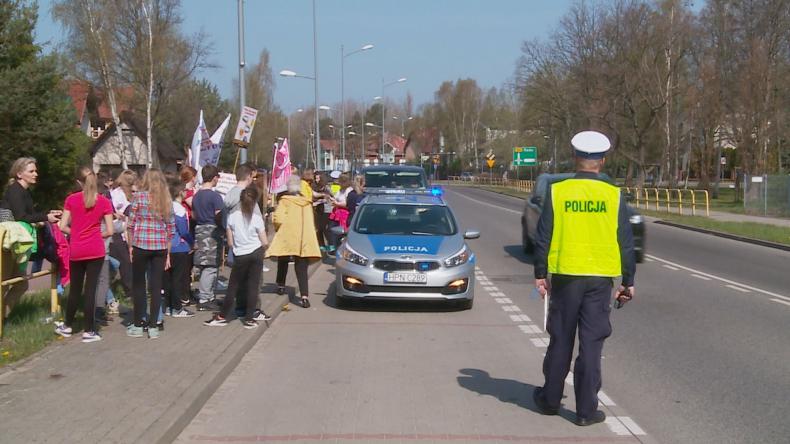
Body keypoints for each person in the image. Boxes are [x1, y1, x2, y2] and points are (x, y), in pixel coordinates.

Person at [532, 131, 636, 426]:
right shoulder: (613, 195)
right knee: (591, 343)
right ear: (602, 161)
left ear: (575, 157)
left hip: (566, 276)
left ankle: (550, 400)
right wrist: (628, 281)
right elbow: (626, 242)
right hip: (600, 279)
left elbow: (543, 236)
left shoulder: (558, 192)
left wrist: (540, 274)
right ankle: (586, 411)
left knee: (561, 339)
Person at [55, 166, 114, 343]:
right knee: (91, 289)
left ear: (78, 182)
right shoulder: (104, 202)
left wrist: (75, 233)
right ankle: (89, 330)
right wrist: (96, 235)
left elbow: (62, 226)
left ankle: (67, 325)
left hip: (77, 248)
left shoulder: (71, 199)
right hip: (96, 249)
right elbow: (110, 230)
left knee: (75, 289)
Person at [2, 157, 62, 313]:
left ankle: (3, 317)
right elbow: (21, 216)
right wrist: (45, 217)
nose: (36, 174)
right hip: (6, 244)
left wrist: (47, 214)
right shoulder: (15, 190)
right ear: (19, 174)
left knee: (21, 284)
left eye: (35, 171)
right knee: (4, 284)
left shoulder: (25, 191)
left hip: (16, 244)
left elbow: (30, 215)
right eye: (31, 171)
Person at [204, 187, 270, 328]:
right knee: (253, 287)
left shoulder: (232, 217)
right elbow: (265, 241)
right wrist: (263, 249)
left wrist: (236, 248)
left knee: (233, 287)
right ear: (254, 202)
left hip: (240, 254)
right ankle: (249, 318)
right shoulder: (257, 218)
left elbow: (230, 242)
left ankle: (222, 316)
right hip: (256, 252)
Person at [127, 169, 174, 339]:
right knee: (156, 286)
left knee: (139, 285)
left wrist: (130, 246)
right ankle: (153, 325)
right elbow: (171, 228)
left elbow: (130, 223)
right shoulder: (166, 199)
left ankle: (138, 324)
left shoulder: (139, 197)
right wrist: (168, 253)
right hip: (160, 246)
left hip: (141, 244)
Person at [266, 175, 321, 308]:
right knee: (301, 267)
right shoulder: (307, 203)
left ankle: (281, 285)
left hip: (288, 235)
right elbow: (311, 220)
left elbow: (278, 219)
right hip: (303, 238)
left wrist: (278, 228)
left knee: (283, 259)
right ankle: (304, 296)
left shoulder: (285, 201)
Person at [192, 164, 224, 311]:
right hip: (212, 231)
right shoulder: (215, 196)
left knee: (205, 264)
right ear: (214, 178)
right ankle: (205, 298)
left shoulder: (196, 196)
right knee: (210, 266)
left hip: (199, 229)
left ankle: (209, 296)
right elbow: (219, 215)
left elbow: (193, 215)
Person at [163, 178, 194, 318]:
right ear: (181, 192)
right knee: (177, 279)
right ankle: (177, 308)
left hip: (166, 247)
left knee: (167, 279)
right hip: (179, 247)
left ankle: (168, 306)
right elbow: (183, 230)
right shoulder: (180, 209)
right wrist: (192, 242)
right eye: (185, 190)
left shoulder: (165, 206)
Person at [311, 171, 330, 251]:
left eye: (318, 178)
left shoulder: (326, 187)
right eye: (315, 178)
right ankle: (321, 245)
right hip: (317, 209)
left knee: (325, 228)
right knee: (318, 229)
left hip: (326, 210)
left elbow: (330, 198)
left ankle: (330, 245)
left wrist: (323, 199)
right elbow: (312, 196)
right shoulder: (313, 187)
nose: (317, 180)